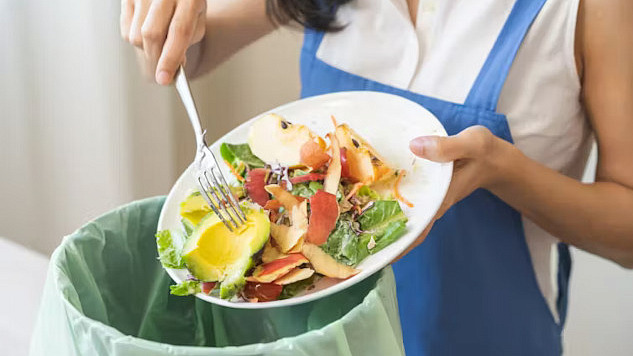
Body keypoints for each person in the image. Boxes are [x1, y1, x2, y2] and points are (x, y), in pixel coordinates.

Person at [121, 0, 633, 354]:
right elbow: (185, 56)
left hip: (483, 338)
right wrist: (167, 23)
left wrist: (505, 171)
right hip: (316, 340)